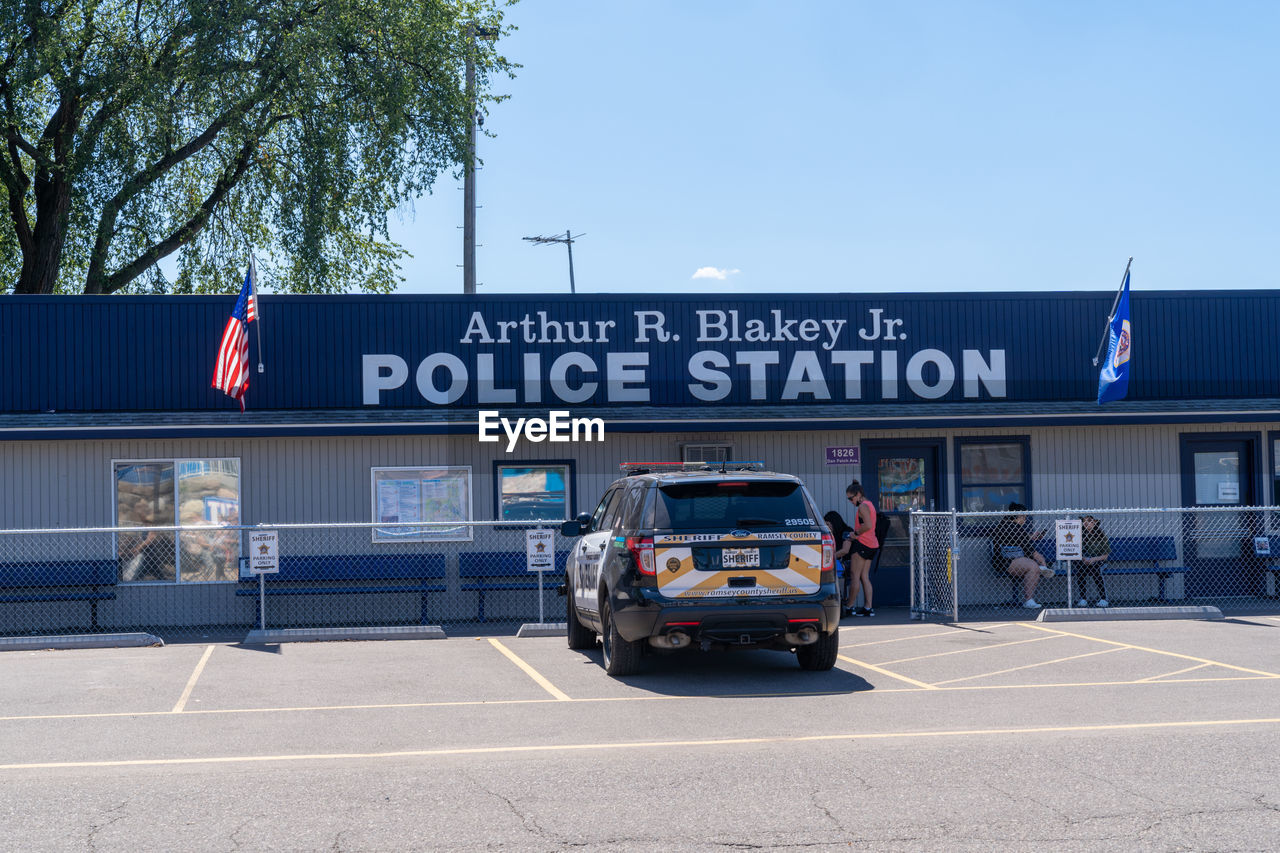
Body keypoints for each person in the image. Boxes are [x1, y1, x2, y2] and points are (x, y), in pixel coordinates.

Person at [990, 501, 1054, 609]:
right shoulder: (1014, 527)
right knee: (1033, 567)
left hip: (1004, 560)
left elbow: (1018, 540)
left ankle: (1040, 570)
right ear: (1019, 515)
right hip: (1005, 561)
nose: (1025, 519)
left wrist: (1030, 537)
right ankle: (1028, 600)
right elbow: (1030, 550)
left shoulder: (1005, 524)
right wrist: (1042, 560)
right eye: (1024, 516)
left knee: (1033, 565)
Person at [846, 481, 878, 616]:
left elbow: (868, 525)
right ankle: (868, 608)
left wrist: (855, 534)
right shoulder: (870, 504)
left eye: (851, 498)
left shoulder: (863, 507)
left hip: (862, 544)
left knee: (855, 576)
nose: (850, 501)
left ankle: (849, 606)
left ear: (858, 495)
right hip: (872, 545)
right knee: (864, 576)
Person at [823, 510, 855, 617]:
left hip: (849, 562)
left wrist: (828, 558)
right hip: (836, 563)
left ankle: (849, 605)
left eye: (828, 524)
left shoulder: (846, 532)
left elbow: (845, 550)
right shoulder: (828, 535)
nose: (827, 526)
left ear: (835, 522)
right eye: (825, 524)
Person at [1075, 515, 1111, 608]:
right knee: (1080, 569)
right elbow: (1075, 550)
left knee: (1095, 569)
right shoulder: (1079, 534)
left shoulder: (1101, 534)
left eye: (1089, 521)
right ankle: (1083, 599)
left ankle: (1103, 599)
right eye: (1084, 521)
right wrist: (1084, 559)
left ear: (1095, 523)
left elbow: (1105, 555)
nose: (1086, 523)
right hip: (1083, 560)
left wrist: (1093, 559)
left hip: (1098, 560)